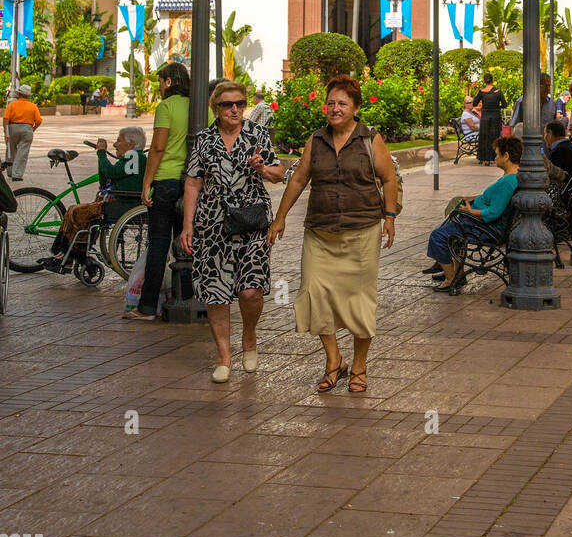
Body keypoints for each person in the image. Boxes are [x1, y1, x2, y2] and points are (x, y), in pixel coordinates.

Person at [268, 74, 398, 395]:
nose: (335, 108)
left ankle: (359, 367)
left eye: (342, 103)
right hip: (320, 231)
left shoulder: (370, 139)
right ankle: (333, 361)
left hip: (362, 230)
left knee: (359, 301)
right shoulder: (317, 140)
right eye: (330, 103)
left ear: (355, 107)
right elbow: (299, 179)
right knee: (314, 294)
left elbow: (390, 178)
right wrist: (280, 217)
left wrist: (390, 216)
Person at [181, 79, 285, 382]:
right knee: (216, 292)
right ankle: (224, 357)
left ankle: (249, 337)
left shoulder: (258, 135)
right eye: (228, 104)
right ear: (217, 107)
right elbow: (192, 182)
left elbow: (279, 173)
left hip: (251, 222)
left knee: (250, 291)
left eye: (240, 103)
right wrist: (188, 225)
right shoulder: (204, 139)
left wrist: (262, 169)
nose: (236, 109)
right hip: (212, 224)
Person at [37, 126, 147, 272]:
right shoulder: (133, 157)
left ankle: (69, 257)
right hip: (117, 201)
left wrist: (101, 153)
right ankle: (64, 255)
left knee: (77, 212)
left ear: (131, 144)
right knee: (75, 211)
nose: (114, 144)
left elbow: (110, 172)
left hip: (123, 203)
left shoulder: (135, 156)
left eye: (118, 141)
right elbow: (106, 178)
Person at [129, 62, 191, 323]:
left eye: (160, 81)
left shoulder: (166, 107)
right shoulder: (201, 105)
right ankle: (187, 297)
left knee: (158, 243)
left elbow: (157, 148)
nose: (158, 86)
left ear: (168, 82)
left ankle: (146, 306)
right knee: (186, 243)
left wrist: (147, 183)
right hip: (191, 183)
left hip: (165, 182)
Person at [424, 136, 523, 294]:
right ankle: (455, 271)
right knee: (452, 219)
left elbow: (493, 213)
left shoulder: (507, 182)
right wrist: (475, 199)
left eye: (497, 154)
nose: (495, 158)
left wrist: (470, 211)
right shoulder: (514, 177)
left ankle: (451, 279)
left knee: (438, 235)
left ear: (506, 156)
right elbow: (494, 200)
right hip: (485, 224)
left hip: (486, 228)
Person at [4, 84, 42, 181]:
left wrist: (6, 133)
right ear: (28, 96)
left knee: (10, 150)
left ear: (19, 94)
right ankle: (17, 175)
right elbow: (38, 121)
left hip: (12, 128)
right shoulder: (33, 106)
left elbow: (6, 119)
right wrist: (33, 129)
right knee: (23, 152)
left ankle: (10, 171)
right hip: (27, 129)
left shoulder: (12, 104)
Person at [472, 72, 507, 165]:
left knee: (484, 137)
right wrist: (497, 107)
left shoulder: (482, 92)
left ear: (484, 81)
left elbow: (474, 104)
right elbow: (504, 104)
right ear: (492, 80)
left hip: (485, 117)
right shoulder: (498, 91)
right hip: (495, 117)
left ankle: (483, 158)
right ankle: (493, 158)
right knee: (494, 137)